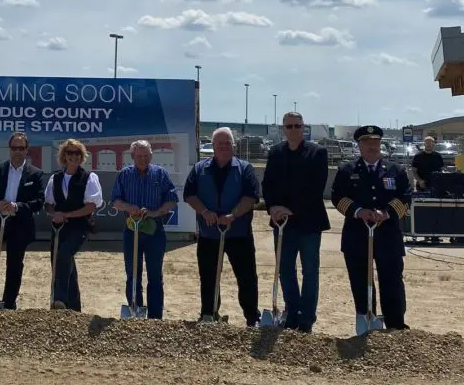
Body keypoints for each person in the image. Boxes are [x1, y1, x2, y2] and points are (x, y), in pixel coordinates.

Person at [331, 125, 413, 331]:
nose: (372, 146)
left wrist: (386, 213)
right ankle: (367, 321)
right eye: (367, 142)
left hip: (388, 235)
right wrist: (359, 211)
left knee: (392, 281)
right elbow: (338, 197)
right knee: (360, 281)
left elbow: (405, 198)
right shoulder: (347, 170)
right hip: (357, 235)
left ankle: (395, 324)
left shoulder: (396, 170)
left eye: (375, 142)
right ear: (359, 145)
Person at [183, 127, 262, 326]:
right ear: (213, 147)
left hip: (238, 234)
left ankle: (252, 317)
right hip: (209, 234)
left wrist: (233, 215)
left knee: (246, 278)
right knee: (208, 277)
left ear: (233, 146)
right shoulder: (200, 169)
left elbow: (251, 196)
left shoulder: (244, 168)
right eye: (220, 144)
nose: (224, 147)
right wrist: (205, 212)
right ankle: (209, 313)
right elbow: (190, 195)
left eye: (228, 143)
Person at [261, 112, 331, 332]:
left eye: (297, 126)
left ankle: (306, 318)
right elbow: (268, 185)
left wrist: (290, 209)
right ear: (283, 128)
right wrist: (272, 207)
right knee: (284, 270)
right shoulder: (275, 153)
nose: (293, 129)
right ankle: (291, 314)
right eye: (289, 126)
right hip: (282, 223)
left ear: (303, 127)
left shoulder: (317, 153)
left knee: (310, 271)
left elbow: (316, 188)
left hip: (309, 223)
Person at [111, 140, 178, 319]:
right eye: (139, 156)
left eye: (146, 155)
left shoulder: (161, 174)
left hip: (155, 231)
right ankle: (135, 309)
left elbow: (172, 199)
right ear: (133, 156)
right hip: (131, 231)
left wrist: (156, 212)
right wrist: (128, 207)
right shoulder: (124, 175)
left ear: (151, 155)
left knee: (155, 275)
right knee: (133, 273)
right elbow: (115, 201)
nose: (143, 159)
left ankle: (155, 316)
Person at [0, 131, 45, 310]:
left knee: (14, 263)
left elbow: (39, 202)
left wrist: (17, 207)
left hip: (20, 223)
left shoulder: (36, 174)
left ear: (27, 150)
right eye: (14, 148)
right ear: (9, 149)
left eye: (21, 148)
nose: (17, 151)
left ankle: (9, 301)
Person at [45, 139, 103, 311]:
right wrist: (54, 214)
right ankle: (74, 308)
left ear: (82, 156)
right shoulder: (55, 178)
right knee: (61, 261)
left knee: (63, 254)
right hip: (58, 227)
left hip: (79, 227)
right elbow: (48, 203)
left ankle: (59, 298)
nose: (73, 156)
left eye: (77, 153)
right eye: (70, 153)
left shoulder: (89, 178)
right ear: (64, 156)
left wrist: (67, 215)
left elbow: (92, 206)